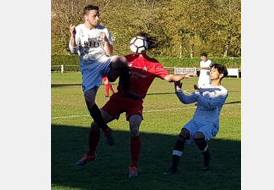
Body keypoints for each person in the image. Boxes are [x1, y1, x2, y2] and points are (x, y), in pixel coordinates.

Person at [75, 32, 197, 178]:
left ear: (145, 45)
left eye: (143, 41)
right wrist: (103, 70)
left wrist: (183, 76)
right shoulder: (126, 59)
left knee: (134, 128)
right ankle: (91, 154)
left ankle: (134, 166)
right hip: (118, 98)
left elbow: (169, 77)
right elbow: (113, 77)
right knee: (95, 125)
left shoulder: (153, 63)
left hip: (135, 101)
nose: (139, 42)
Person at [69, 5, 140, 147]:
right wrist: (72, 35)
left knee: (122, 60)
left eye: (98, 15)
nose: (97, 18)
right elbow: (72, 50)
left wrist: (106, 40)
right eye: (94, 16)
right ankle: (105, 129)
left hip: (102, 61)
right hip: (89, 69)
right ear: (86, 17)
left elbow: (109, 52)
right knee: (89, 101)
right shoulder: (79, 29)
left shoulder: (103, 30)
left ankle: (125, 91)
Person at [164, 63, 228, 175]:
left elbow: (210, 105)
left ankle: (207, 157)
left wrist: (198, 94)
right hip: (196, 120)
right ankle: (173, 167)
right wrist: (178, 89)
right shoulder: (203, 88)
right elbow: (186, 100)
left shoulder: (223, 92)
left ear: (221, 74)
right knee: (183, 134)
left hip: (210, 122)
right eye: (211, 70)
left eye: (214, 71)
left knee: (199, 137)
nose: (211, 72)